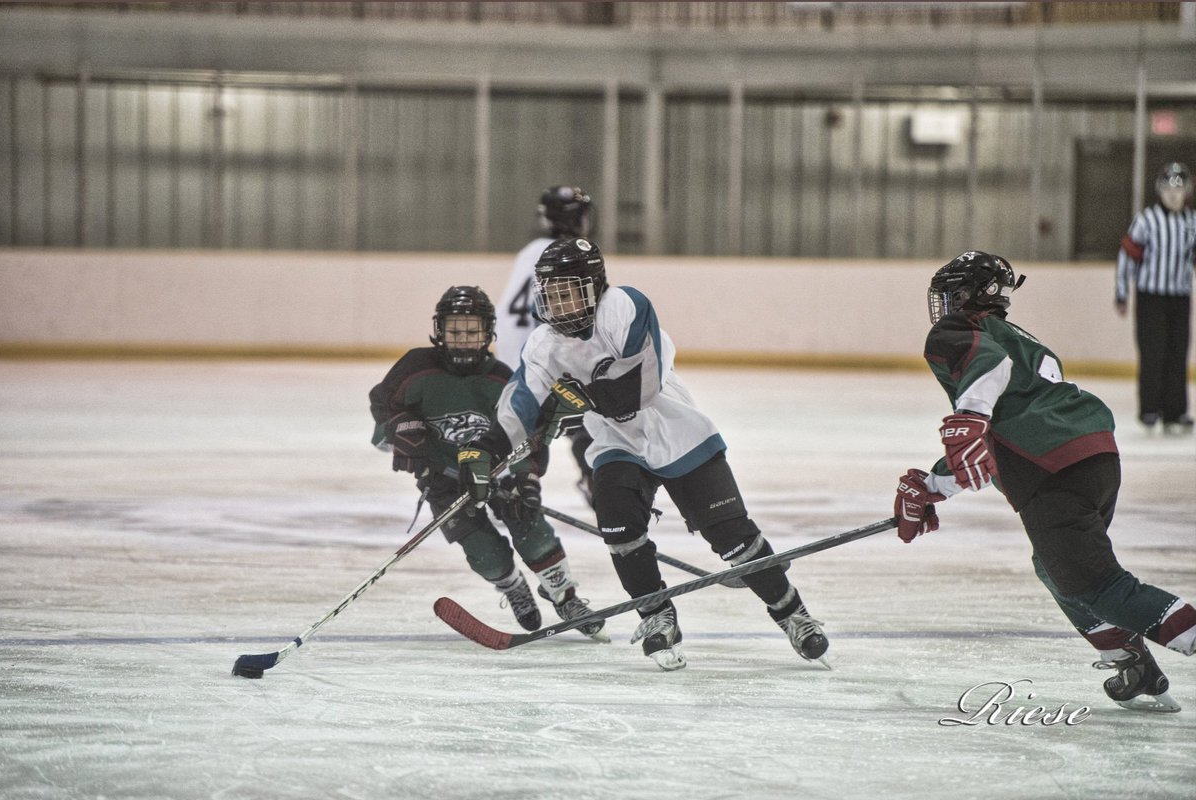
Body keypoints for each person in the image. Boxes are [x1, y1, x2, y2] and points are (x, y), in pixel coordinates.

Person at [457, 237, 829, 671]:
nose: (558, 303)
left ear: (595, 285)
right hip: (617, 443)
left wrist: (581, 397)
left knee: (734, 539)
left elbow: (641, 385)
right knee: (618, 527)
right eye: (552, 293)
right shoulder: (544, 344)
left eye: (569, 291)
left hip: (676, 432)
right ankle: (657, 617)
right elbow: (519, 405)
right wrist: (482, 451)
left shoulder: (624, 305)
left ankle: (793, 615)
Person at [894, 250, 1195, 712]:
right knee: (1054, 568)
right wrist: (933, 486)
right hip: (1094, 458)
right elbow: (1005, 435)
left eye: (951, 293)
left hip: (1055, 469)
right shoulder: (1021, 338)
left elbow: (989, 373)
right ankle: (1132, 665)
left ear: (969, 295)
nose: (943, 304)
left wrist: (968, 417)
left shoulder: (958, 331)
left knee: (1097, 585)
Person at [369, 285, 607, 642]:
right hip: (444, 480)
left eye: (472, 331)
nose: (463, 339)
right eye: (455, 330)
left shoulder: (502, 378)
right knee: (484, 553)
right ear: (439, 330)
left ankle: (565, 597)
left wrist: (527, 480)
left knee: (531, 528)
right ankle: (513, 586)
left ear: (488, 333)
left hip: (498, 471)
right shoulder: (415, 368)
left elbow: (528, 432)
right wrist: (401, 427)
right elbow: (383, 405)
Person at [495, 186, 598, 505]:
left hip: (513, 357)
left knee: (533, 427)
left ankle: (505, 482)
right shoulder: (570, 254)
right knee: (593, 416)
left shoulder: (530, 250)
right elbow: (558, 315)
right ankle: (599, 485)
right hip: (540, 355)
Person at [1115, 161, 1195, 435]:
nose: (1174, 195)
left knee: (1178, 353)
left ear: (1187, 191)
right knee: (1152, 352)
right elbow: (1127, 256)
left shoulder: (1192, 222)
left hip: (1180, 298)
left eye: (1180, 189)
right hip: (1151, 296)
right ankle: (1150, 409)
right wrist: (1122, 291)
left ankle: (1175, 412)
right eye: (1169, 189)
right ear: (1159, 191)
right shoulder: (1146, 220)